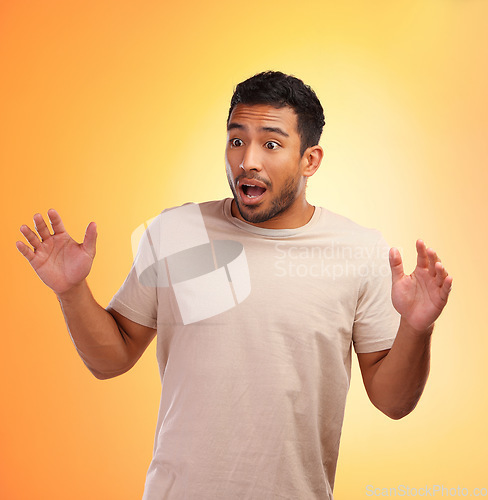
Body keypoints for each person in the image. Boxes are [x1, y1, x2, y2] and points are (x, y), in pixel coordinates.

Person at [16, 71, 452, 500]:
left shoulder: (358, 250)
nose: (248, 161)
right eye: (237, 140)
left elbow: (393, 402)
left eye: (272, 144)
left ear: (310, 160)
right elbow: (111, 358)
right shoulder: (177, 231)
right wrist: (71, 292)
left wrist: (416, 328)